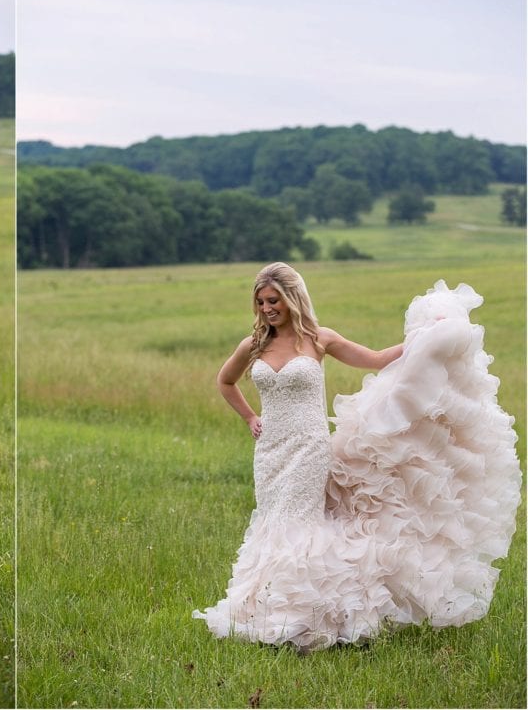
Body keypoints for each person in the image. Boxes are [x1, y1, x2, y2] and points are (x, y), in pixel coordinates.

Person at [193, 262, 520, 652]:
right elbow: (225, 381)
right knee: (272, 521)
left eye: (274, 300)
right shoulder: (254, 345)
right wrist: (250, 416)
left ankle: (302, 617)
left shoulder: (318, 339)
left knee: (298, 522)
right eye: (261, 302)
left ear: (293, 298)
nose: (266, 309)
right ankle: (265, 608)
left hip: (309, 448)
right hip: (270, 453)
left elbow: (377, 358)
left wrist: (425, 339)